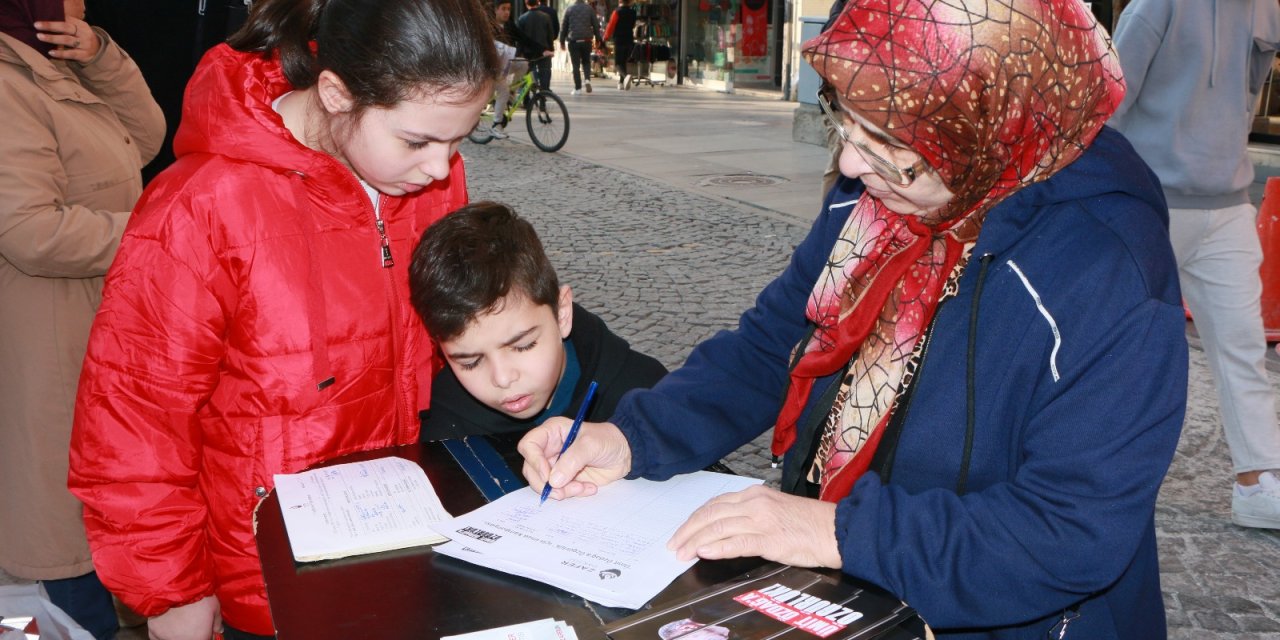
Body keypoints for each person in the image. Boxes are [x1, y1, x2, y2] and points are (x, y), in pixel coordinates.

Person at [519, 1, 1188, 638]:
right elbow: (771, 347)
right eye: (844, 120)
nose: (848, 164)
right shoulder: (872, 199)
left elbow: (1067, 533)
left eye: (888, 143)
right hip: (847, 596)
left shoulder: (1107, 269)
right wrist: (633, 438)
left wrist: (834, 534)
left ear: (988, 126)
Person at [65, 0, 499, 637]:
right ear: (335, 92)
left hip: (401, 553)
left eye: (459, 139)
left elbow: (470, 335)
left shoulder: (424, 185)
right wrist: (171, 592)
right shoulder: (203, 205)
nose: (442, 167)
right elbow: (134, 419)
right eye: (418, 140)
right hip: (264, 584)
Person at [0, 0, 164, 637]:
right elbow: (27, 230)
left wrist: (99, 54)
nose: (84, 2)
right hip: (43, 331)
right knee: (55, 534)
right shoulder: (8, 84)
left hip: (91, 320)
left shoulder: (50, 65)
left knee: (87, 510)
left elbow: (144, 138)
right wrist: (157, 234)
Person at [1108, 0, 1280, 530]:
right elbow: (1109, 101)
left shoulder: (1265, 8)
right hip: (1149, 203)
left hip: (1227, 204)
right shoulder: (1157, 5)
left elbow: (1246, 95)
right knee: (1113, 348)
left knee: (1242, 347)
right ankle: (1084, 476)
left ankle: (1259, 482)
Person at [409, 201, 668, 439]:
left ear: (562, 313)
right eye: (470, 362)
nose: (502, 378)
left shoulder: (647, 394)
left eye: (523, 346)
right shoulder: (443, 424)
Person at [489, 0, 544, 139]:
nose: (507, 12)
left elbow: (523, 38)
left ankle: (512, 93)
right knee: (503, 89)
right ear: (496, 10)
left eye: (509, 9)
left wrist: (543, 50)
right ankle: (496, 125)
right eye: (503, 9)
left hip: (504, 64)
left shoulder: (508, 25)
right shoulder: (488, 26)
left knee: (524, 64)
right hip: (490, 67)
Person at [559, 0, 599, 95]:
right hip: (586, 40)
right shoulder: (589, 9)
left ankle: (578, 88)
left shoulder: (569, 9)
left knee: (575, 65)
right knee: (586, 62)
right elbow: (595, 24)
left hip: (574, 41)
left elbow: (564, 26)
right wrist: (598, 38)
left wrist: (561, 41)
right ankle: (587, 80)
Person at [517, 0, 555, 93]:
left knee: (528, 75)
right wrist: (551, 48)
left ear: (526, 4)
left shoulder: (522, 18)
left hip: (528, 52)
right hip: (544, 51)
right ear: (537, 3)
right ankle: (544, 96)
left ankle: (527, 100)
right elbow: (550, 35)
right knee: (545, 73)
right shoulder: (546, 17)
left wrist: (519, 52)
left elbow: (520, 39)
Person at [603, 0, 635, 89]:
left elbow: (611, 26)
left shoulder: (617, 12)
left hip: (619, 40)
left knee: (617, 63)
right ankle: (621, 83)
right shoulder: (633, 12)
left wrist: (605, 37)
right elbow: (632, 25)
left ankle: (625, 76)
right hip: (629, 39)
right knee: (624, 62)